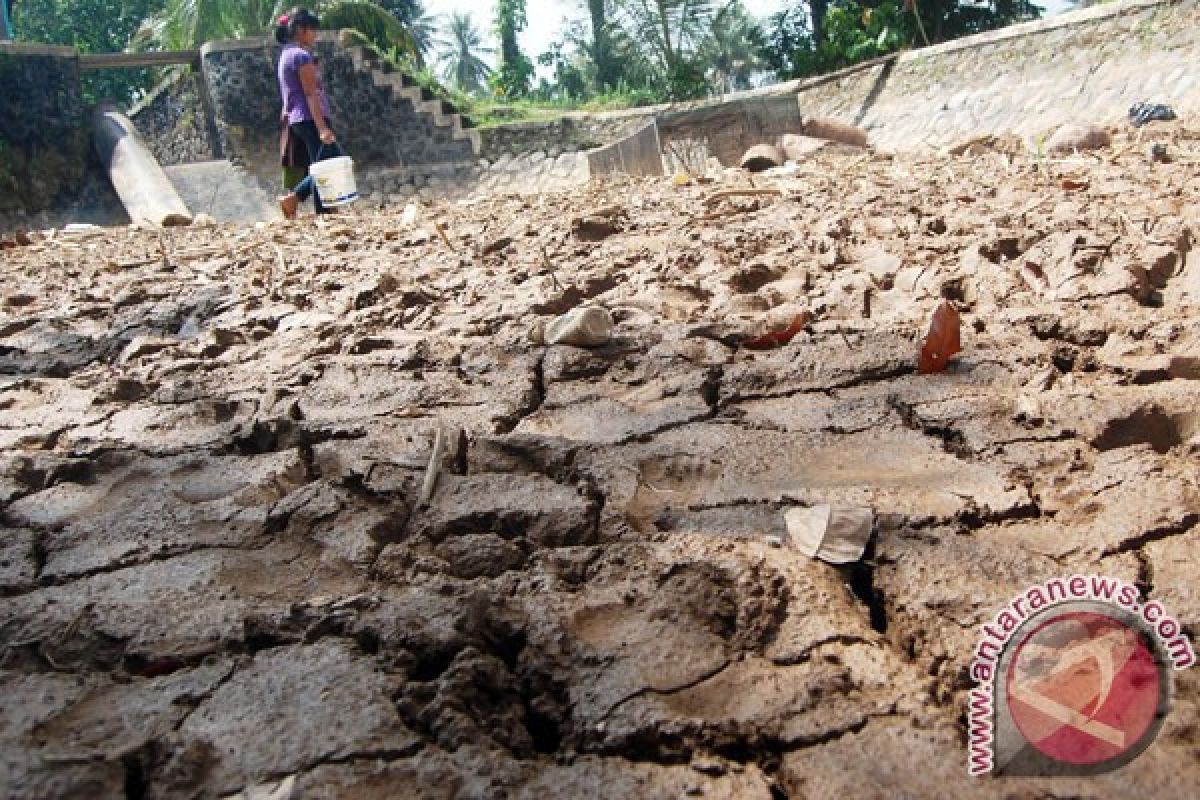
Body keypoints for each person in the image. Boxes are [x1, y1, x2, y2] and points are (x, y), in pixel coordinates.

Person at [275, 8, 341, 219]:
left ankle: (323, 210)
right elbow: (310, 93)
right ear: (301, 30)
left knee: (323, 164)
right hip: (310, 117)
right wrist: (322, 127)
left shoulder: (286, 55)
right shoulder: (301, 56)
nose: (315, 35)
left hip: (298, 118)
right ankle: (296, 200)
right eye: (313, 30)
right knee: (328, 164)